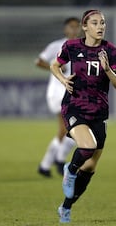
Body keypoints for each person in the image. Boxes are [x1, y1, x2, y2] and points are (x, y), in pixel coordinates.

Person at [50, 9, 116, 223]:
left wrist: (108, 70)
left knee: (90, 166)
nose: (100, 26)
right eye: (95, 23)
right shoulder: (72, 46)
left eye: (102, 23)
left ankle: (65, 207)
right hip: (74, 107)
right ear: (85, 26)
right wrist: (63, 80)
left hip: (98, 113)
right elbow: (54, 65)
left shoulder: (110, 50)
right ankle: (70, 168)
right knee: (87, 147)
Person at [35, 17, 80, 177]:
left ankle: (49, 163)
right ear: (65, 29)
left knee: (74, 129)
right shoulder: (56, 46)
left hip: (73, 93)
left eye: (77, 27)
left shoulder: (83, 46)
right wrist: (55, 67)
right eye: (71, 27)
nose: (74, 30)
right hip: (57, 92)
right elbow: (38, 61)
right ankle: (55, 162)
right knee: (65, 129)